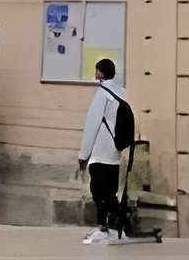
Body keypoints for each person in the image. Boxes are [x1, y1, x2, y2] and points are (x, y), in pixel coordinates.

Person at [76, 55, 127, 245]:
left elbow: (92, 125)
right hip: (115, 152)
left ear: (101, 72)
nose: (95, 73)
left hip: (99, 152)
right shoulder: (122, 92)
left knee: (98, 191)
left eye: (97, 70)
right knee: (110, 191)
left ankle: (105, 228)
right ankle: (114, 228)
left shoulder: (102, 93)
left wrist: (83, 155)